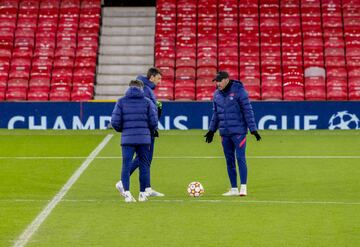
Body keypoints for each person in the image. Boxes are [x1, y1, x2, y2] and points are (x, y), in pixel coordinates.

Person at [204, 71, 261, 197]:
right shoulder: (217, 94)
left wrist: (253, 129)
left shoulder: (240, 91)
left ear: (226, 80)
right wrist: (211, 130)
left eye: (219, 81)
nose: (217, 83)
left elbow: (247, 110)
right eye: (216, 81)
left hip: (239, 132)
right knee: (229, 160)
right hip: (224, 133)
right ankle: (234, 188)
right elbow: (216, 114)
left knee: (240, 158)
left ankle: (243, 187)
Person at [115, 67, 165, 197]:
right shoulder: (146, 91)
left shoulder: (146, 89)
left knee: (146, 159)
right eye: (159, 78)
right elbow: (150, 113)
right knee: (144, 159)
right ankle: (125, 183)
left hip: (141, 132)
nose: (160, 82)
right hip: (145, 132)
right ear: (152, 77)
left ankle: (146, 188)